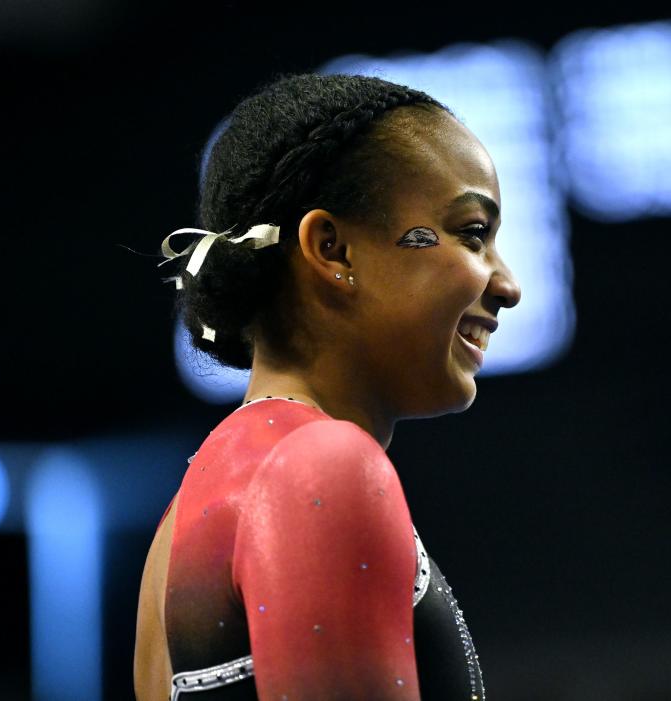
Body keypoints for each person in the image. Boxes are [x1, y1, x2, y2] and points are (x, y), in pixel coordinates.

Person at [133, 72, 521, 701]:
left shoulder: (182, 521)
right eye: (472, 233)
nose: (506, 284)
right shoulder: (321, 470)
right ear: (333, 250)